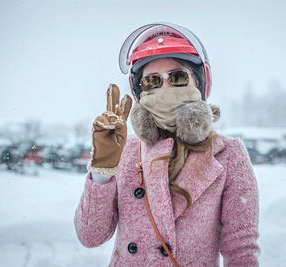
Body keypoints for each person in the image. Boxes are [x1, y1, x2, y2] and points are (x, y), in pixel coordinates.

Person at [74, 22, 260, 267]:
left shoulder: (228, 154)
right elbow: (90, 237)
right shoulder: (126, 151)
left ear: (199, 84)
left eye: (178, 77)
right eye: (152, 81)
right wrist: (101, 171)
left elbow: (241, 252)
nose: (165, 87)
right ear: (140, 91)